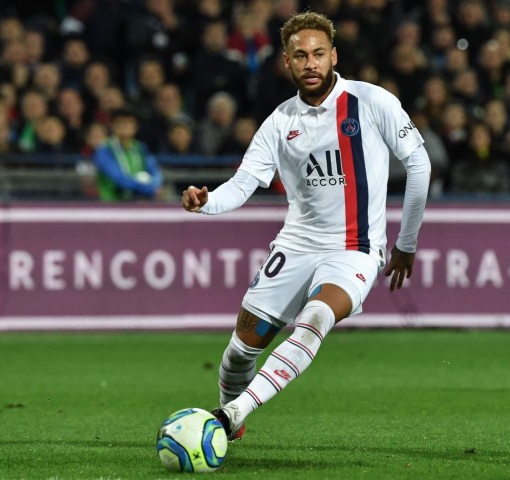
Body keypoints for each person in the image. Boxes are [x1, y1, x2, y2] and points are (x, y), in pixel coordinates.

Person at [181, 11, 431, 441]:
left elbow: (419, 166)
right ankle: (228, 415)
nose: (310, 63)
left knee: (316, 317)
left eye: (318, 54)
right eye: (300, 55)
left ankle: (229, 416)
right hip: (295, 245)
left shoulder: (371, 102)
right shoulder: (280, 122)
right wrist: (206, 203)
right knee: (241, 351)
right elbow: (244, 183)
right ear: (287, 62)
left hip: (355, 247)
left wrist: (405, 243)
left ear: (334, 56)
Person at [93, 108, 164, 201]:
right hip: (111, 205)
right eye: (121, 123)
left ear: (135, 127)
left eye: (129, 123)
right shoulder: (104, 149)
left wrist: (155, 185)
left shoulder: (140, 148)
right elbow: (119, 178)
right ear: (113, 126)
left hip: (138, 202)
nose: (125, 127)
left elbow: (155, 171)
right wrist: (149, 189)